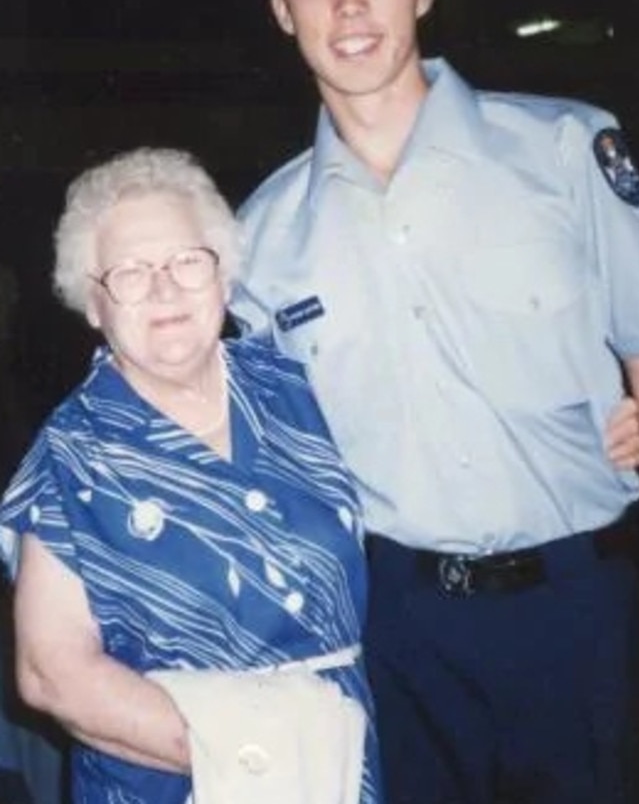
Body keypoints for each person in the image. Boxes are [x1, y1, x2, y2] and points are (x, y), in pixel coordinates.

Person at [231, 0, 639, 804]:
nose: (347, 5)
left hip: (575, 610)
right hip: (393, 629)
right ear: (282, 12)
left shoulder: (565, 153)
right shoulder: (257, 238)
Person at [0, 147, 381, 804]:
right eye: (130, 272)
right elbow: (50, 673)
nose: (165, 288)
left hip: (341, 766)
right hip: (179, 782)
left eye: (185, 261)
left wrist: (604, 425)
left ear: (224, 276)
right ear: (93, 303)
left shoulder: (295, 387)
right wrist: (256, 755)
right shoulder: (68, 456)